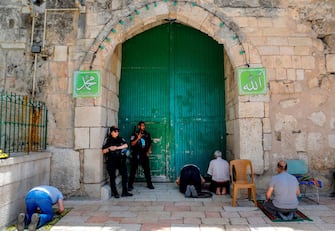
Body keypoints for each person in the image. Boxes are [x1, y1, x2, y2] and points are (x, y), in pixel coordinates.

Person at [102, 126, 133, 198]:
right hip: (111, 160)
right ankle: (114, 192)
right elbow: (103, 151)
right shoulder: (108, 140)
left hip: (121, 160)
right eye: (115, 131)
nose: (117, 132)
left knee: (125, 175)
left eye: (117, 131)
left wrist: (116, 147)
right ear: (111, 132)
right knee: (112, 177)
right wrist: (109, 149)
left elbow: (126, 145)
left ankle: (125, 192)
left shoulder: (120, 138)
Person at [128, 121, 154, 190]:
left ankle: (149, 184)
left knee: (147, 170)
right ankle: (130, 185)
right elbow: (132, 144)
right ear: (139, 126)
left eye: (144, 125)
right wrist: (138, 138)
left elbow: (150, 143)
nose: (143, 127)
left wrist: (148, 151)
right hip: (136, 154)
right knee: (133, 170)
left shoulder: (147, 134)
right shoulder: (134, 134)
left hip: (144, 154)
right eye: (142, 126)